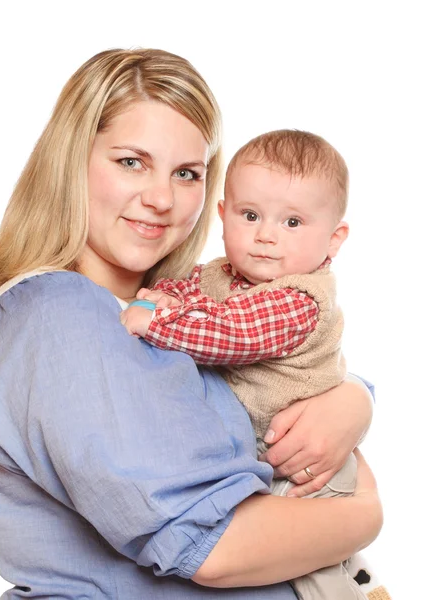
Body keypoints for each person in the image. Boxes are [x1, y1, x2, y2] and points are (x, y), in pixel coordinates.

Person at [0, 48, 381, 600]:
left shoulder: (166, 310)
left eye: (186, 173)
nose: (160, 199)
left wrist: (353, 397)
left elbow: (269, 389)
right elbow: (214, 549)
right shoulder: (60, 314)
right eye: (131, 161)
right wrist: (367, 512)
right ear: (71, 159)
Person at [120, 129, 390, 599]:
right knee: (322, 564)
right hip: (272, 462)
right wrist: (163, 297)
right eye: (250, 215)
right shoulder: (224, 272)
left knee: (319, 580)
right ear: (223, 215)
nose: (265, 236)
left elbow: (231, 335)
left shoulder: (297, 300)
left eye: (292, 223)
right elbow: (192, 289)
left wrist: (155, 325)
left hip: (307, 468)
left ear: (334, 238)